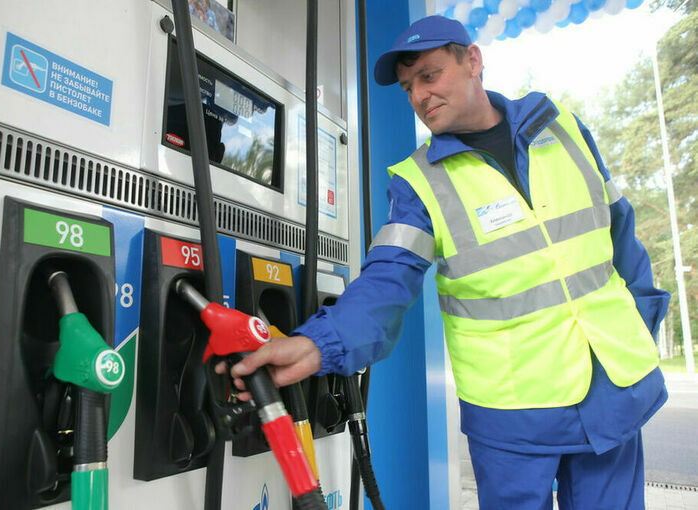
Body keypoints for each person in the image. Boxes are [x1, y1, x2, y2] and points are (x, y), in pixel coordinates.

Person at [218, 14, 670, 509]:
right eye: (408, 87)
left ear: (473, 61)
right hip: (514, 414)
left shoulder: (562, 129)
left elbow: (621, 234)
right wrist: (316, 345)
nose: (418, 95)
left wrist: (638, 328)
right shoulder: (419, 182)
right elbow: (387, 281)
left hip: (613, 392)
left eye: (429, 75)